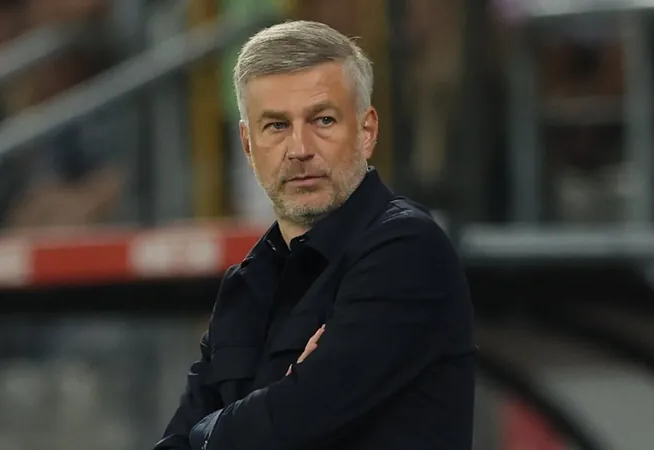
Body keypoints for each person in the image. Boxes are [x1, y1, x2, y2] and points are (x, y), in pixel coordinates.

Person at [155, 20, 475, 450]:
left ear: (366, 132)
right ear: (248, 144)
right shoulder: (246, 283)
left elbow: (292, 426)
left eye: (323, 120)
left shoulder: (407, 250)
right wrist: (274, 404)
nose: (300, 149)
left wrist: (208, 432)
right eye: (276, 126)